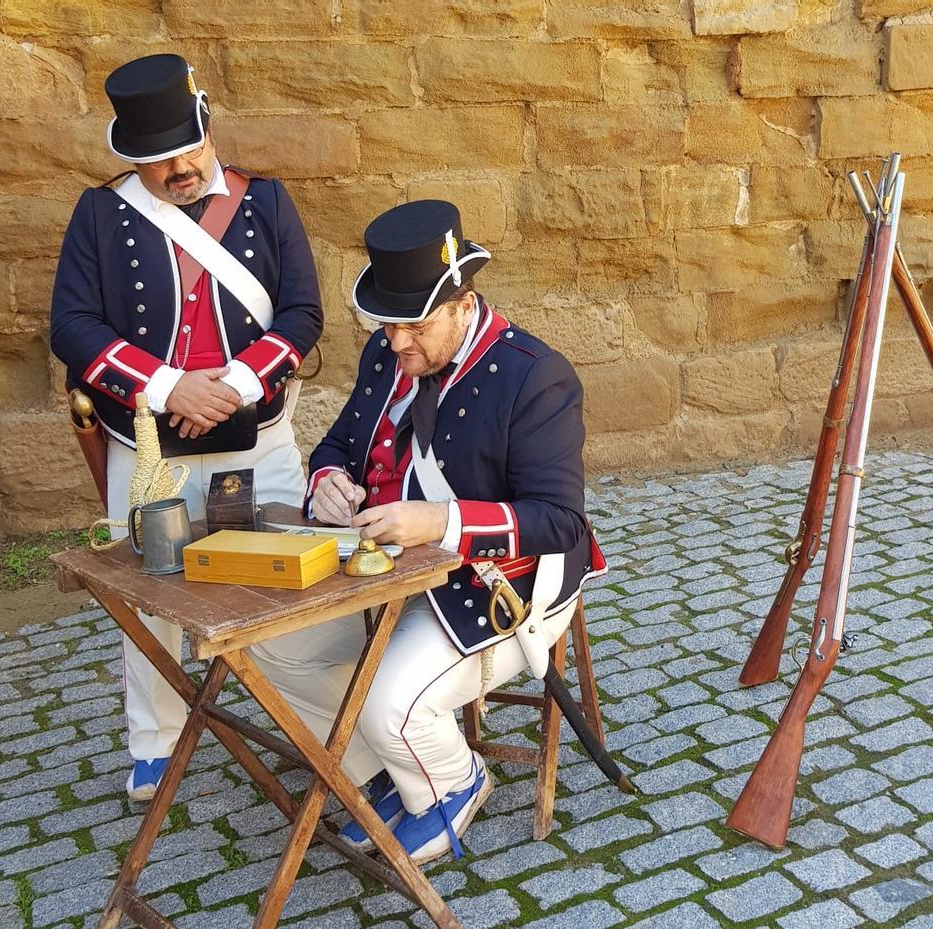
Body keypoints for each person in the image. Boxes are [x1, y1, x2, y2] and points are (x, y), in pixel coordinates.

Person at [250, 200, 605, 863]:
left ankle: (453, 778)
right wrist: (326, 481)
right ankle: (382, 769)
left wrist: (439, 521)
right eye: (387, 325)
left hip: (500, 587)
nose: (395, 343)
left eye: (414, 326)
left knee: (388, 700)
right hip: (388, 571)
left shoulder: (534, 375)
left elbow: (560, 521)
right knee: (273, 650)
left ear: (463, 304)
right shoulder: (387, 356)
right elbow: (337, 444)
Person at [49, 54, 323, 800]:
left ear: (208, 124)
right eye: (158, 160)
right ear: (130, 157)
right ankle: (156, 740)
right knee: (150, 595)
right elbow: (70, 325)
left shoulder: (263, 200)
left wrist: (234, 384)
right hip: (149, 446)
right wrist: (170, 385)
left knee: (295, 582)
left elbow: (303, 311)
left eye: (189, 150)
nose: (179, 169)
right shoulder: (100, 214)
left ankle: (317, 721)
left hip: (257, 435)